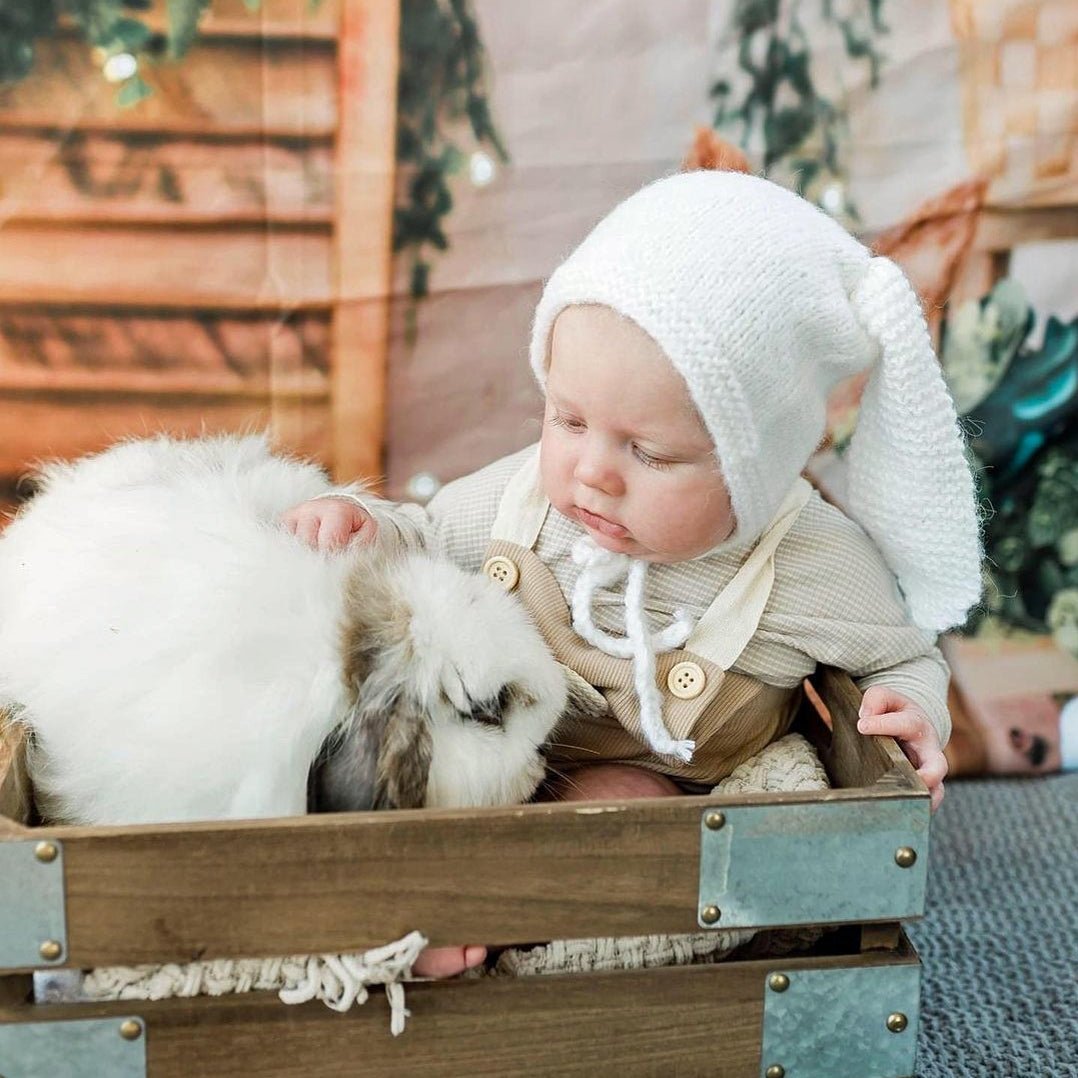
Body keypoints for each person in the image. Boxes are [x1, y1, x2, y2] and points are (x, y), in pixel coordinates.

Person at [282, 170, 983, 976]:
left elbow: (904, 655)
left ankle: (480, 928)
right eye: (567, 419)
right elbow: (426, 538)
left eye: (648, 452)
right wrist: (368, 526)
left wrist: (915, 711)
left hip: (647, 795)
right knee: (389, 749)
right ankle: (370, 896)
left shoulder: (810, 563)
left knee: (628, 810)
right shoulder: (520, 504)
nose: (592, 473)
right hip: (496, 756)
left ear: (756, 469)